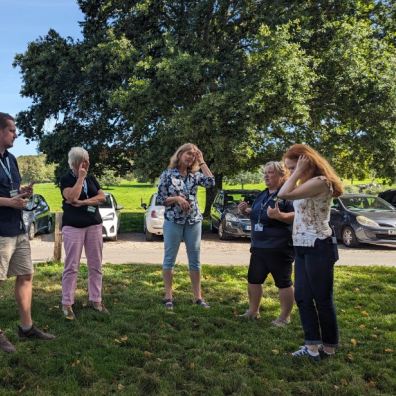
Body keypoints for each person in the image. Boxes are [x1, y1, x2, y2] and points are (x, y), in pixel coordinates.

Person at [278, 144, 344, 361]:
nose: (290, 172)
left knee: (322, 298)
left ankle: (329, 346)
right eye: (287, 168)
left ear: (306, 162)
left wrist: (296, 173)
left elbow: (284, 193)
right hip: (302, 245)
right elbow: (301, 213)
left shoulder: (320, 182)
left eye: (292, 167)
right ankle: (312, 346)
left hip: (319, 246)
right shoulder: (306, 183)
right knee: (303, 297)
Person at [0, 112, 55, 353]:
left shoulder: (11, 159)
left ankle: (26, 327)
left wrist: (21, 193)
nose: (16, 134)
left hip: (18, 228)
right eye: (12, 130)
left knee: (26, 275)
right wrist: (10, 202)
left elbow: (10, 192)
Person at [156, 143, 215, 309]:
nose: (190, 158)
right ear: (180, 154)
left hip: (193, 221)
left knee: (195, 260)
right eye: (188, 154)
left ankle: (198, 297)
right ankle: (168, 297)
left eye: (194, 156)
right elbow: (161, 199)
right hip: (173, 221)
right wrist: (177, 199)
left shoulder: (195, 175)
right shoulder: (168, 175)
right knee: (169, 259)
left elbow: (211, 182)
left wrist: (202, 161)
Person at [238, 161, 294, 325]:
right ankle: (253, 311)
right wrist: (246, 211)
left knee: (283, 283)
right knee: (254, 280)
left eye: (270, 173)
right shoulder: (263, 194)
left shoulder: (288, 194)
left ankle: (284, 317)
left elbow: (296, 216)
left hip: (279, 247)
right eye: (265, 173)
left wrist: (280, 216)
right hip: (259, 246)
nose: (266, 176)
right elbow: (259, 214)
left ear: (282, 175)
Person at [60, 147, 107, 320]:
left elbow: (102, 197)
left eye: (87, 160)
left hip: (94, 225)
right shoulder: (65, 179)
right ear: (74, 163)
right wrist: (80, 178)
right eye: (83, 161)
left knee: (96, 264)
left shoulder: (92, 178)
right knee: (71, 266)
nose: (86, 164)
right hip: (73, 227)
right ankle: (67, 303)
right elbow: (71, 197)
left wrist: (85, 202)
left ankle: (96, 299)